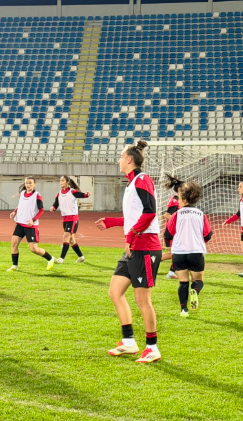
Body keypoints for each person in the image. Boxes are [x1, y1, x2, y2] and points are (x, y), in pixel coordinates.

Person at [95, 140, 162, 364]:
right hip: (134, 247)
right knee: (115, 292)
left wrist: (131, 234)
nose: (119, 160)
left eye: (121, 157)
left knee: (142, 299)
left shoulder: (142, 180)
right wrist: (112, 222)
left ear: (130, 160)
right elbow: (135, 216)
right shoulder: (132, 183)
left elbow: (150, 212)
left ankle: (152, 348)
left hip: (145, 247)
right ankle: (129, 342)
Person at [163, 181, 213, 317]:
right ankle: (195, 291)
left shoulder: (176, 215)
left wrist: (174, 241)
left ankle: (183, 310)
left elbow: (167, 234)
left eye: (179, 199)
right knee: (198, 281)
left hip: (179, 253)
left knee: (183, 282)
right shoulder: (201, 214)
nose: (178, 202)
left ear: (185, 200)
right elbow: (208, 235)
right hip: (196, 252)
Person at [7, 176, 54, 272]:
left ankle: (50, 258)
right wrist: (14, 211)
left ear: (34, 184)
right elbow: (21, 205)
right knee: (14, 243)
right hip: (20, 223)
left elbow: (41, 210)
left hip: (31, 226)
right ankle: (15, 266)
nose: (28, 185)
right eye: (27, 183)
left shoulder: (37, 195)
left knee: (33, 249)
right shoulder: (22, 193)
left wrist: (33, 220)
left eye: (30, 183)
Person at [49, 175, 91, 264]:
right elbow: (56, 204)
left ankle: (61, 259)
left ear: (67, 182)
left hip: (73, 218)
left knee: (66, 236)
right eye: (60, 180)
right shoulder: (59, 193)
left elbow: (82, 195)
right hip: (64, 219)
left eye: (63, 180)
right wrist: (53, 207)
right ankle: (81, 257)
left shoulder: (72, 191)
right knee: (71, 240)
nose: (61, 182)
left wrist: (86, 194)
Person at [162, 174, 182, 280]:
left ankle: (150, 261)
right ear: (179, 190)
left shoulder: (179, 200)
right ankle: (149, 261)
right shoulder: (175, 201)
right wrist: (180, 222)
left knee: (174, 253)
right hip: (171, 232)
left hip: (174, 232)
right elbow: (167, 215)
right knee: (175, 254)